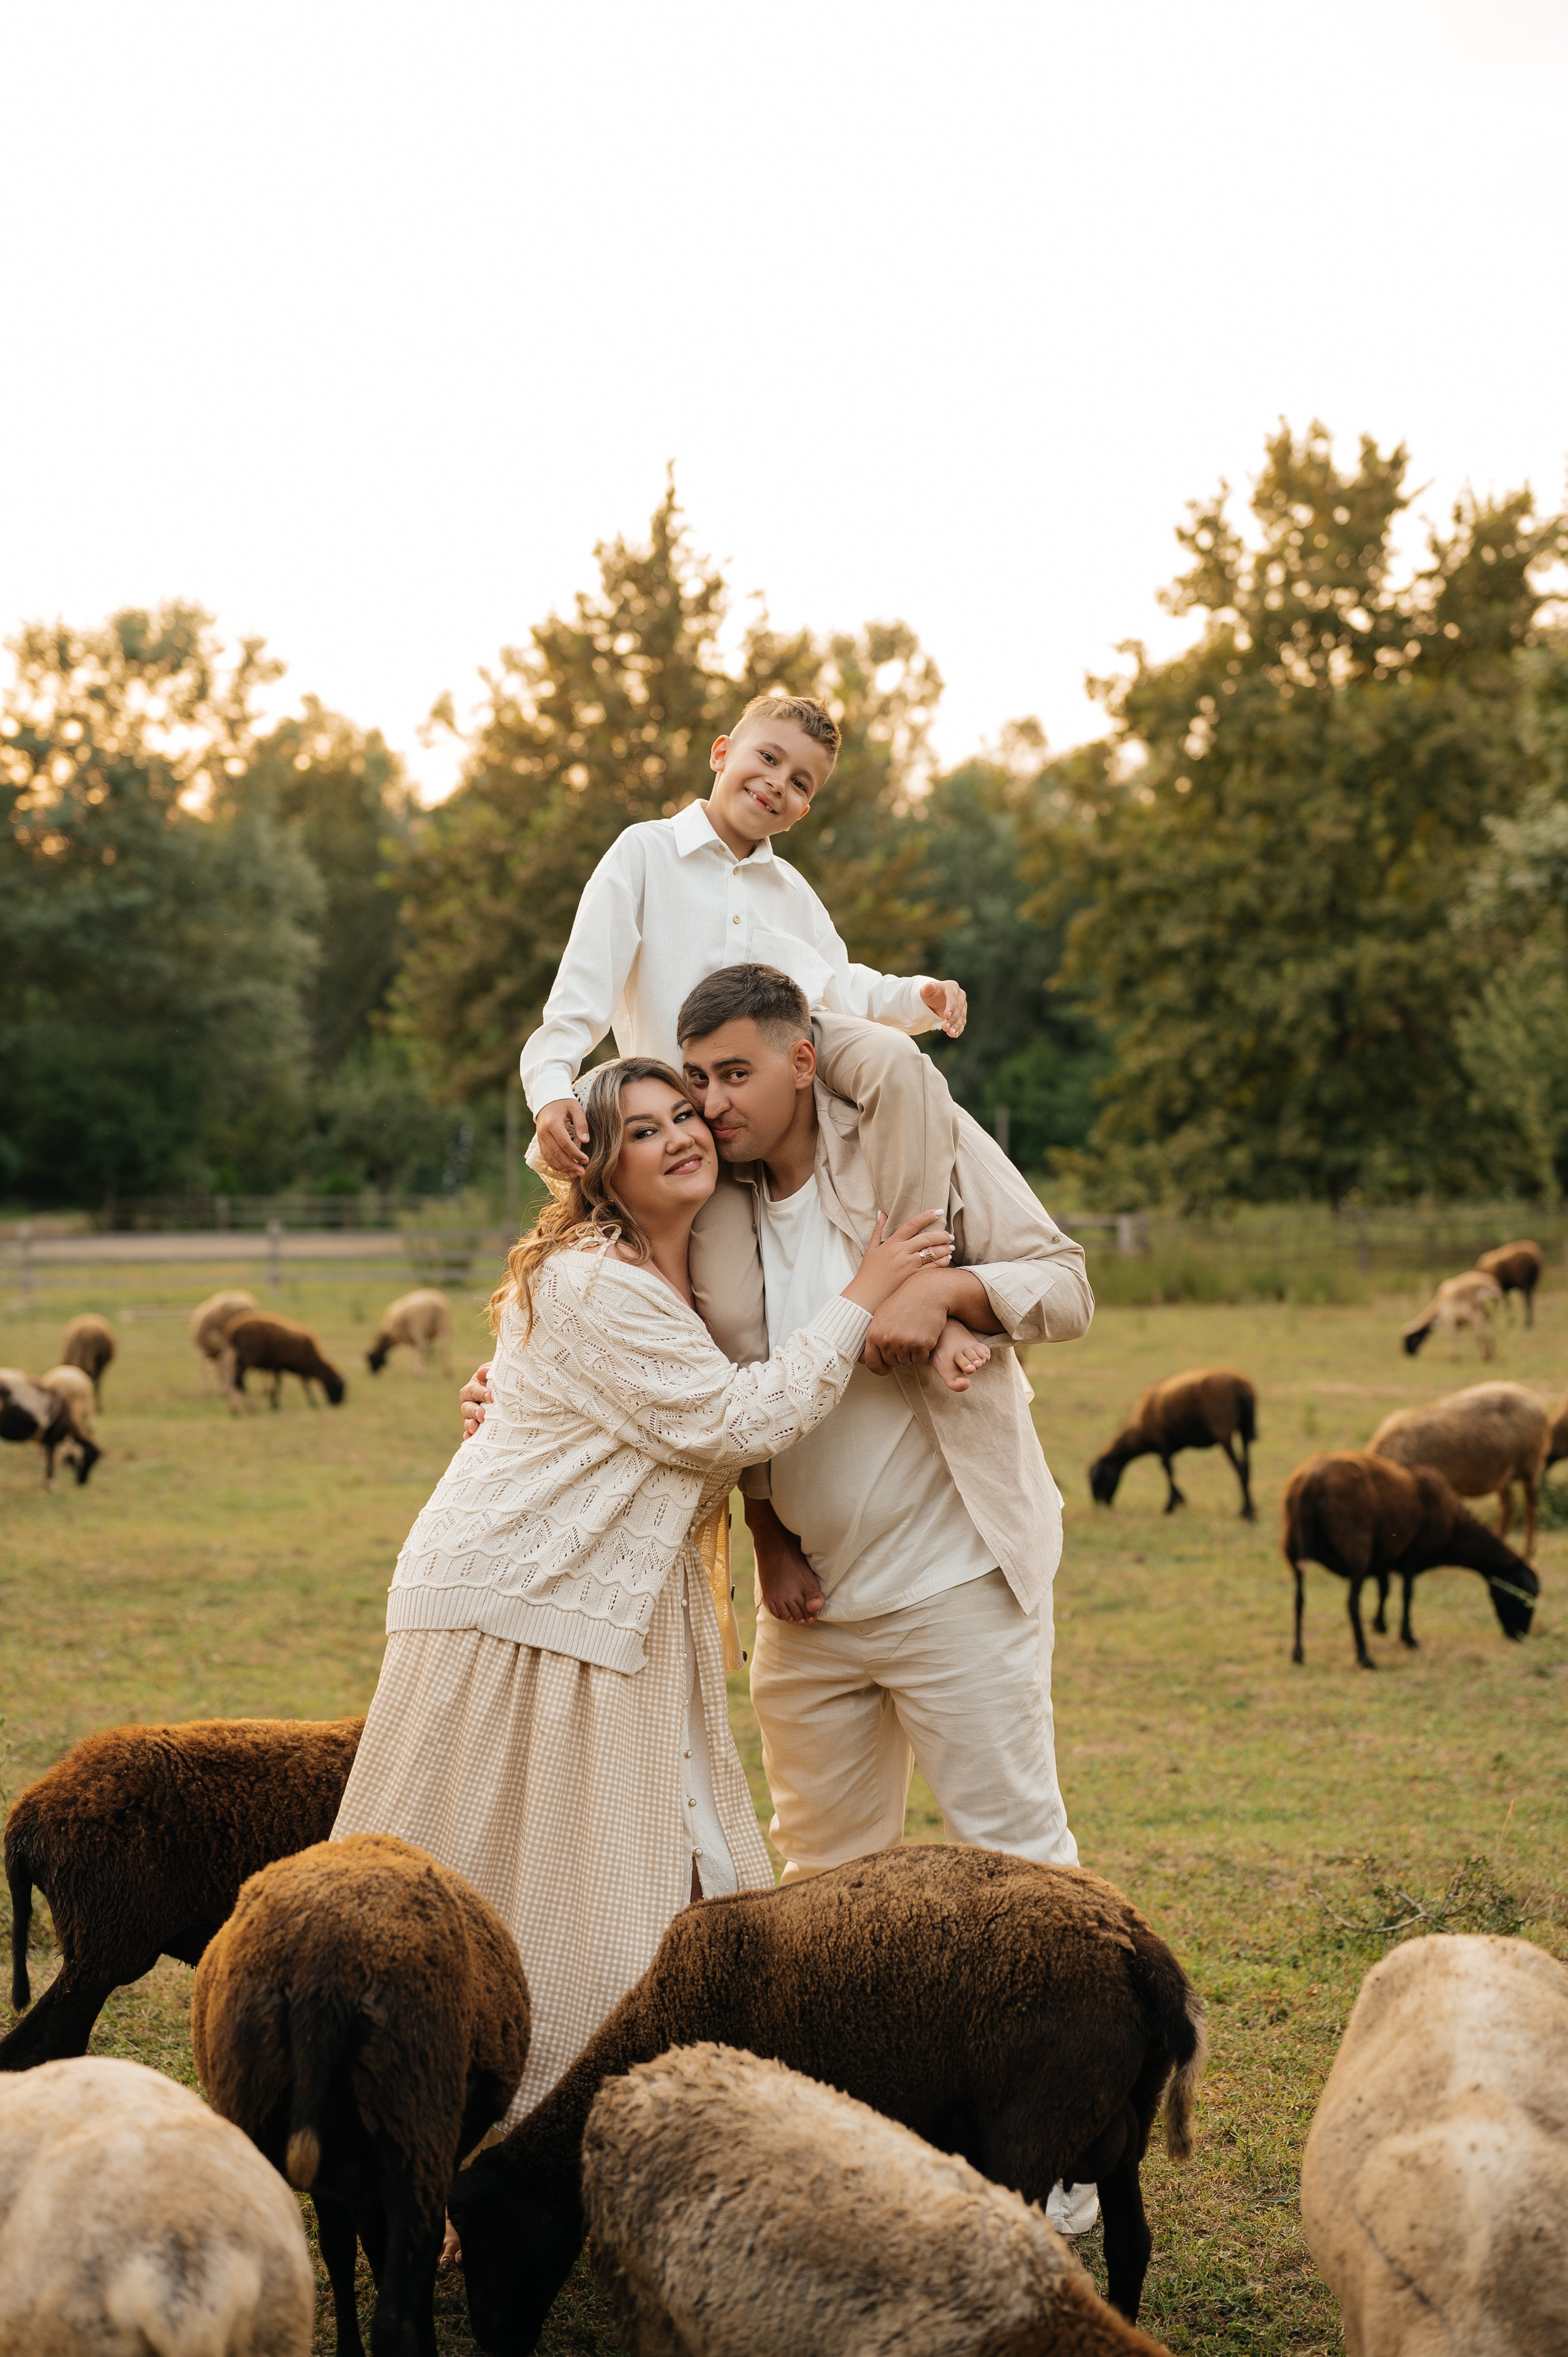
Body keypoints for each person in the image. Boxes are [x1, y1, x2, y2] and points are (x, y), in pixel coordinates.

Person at [333, 1054, 951, 2125]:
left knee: (669, 1855)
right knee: (496, 1879)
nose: (679, 1135)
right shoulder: (588, 1279)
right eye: (642, 1129)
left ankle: (664, 2108)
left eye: (686, 1115)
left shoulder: (683, 1279)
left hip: (606, 1606)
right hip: (519, 1600)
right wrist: (867, 1289)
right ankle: (435, 2136)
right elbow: (735, 1421)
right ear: (602, 1168)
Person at [672, 962, 1092, 1879]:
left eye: (735, 1074)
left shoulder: (915, 1143)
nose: (711, 1103)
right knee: (821, 1882)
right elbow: (724, 1385)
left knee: (1017, 1864)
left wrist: (947, 1288)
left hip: (957, 1583)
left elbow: (1066, 1285)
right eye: (697, 1079)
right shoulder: (709, 1200)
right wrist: (768, 1535)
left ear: (804, 1062)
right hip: (807, 1607)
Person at [518, 694, 970, 1290]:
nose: (778, 782)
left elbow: (840, 982)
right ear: (722, 753)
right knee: (725, 1308)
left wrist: (919, 996)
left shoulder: (790, 891)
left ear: (803, 810)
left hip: (780, 1130)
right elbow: (580, 995)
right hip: (690, 1136)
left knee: (811, 1278)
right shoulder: (645, 853)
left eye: (801, 782)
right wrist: (550, 1089)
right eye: (768, 757)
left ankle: (924, 1282)